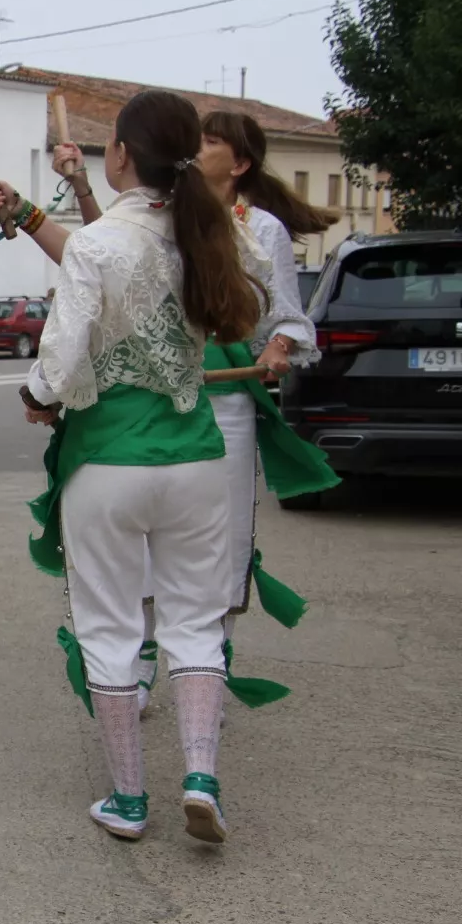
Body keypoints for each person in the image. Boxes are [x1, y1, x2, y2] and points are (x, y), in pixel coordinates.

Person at [16, 90, 262, 844]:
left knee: (112, 624)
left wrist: (36, 395)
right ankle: (199, 774)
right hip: (195, 460)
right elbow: (259, 293)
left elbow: (58, 362)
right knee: (195, 619)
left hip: (108, 460)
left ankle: (128, 798)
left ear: (119, 155)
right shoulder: (212, 232)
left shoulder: (98, 245)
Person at [52, 113, 338, 714]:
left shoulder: (256, 228)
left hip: (223, 403)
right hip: (146, 401)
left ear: (238, 164)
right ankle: (148, 672)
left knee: (216, 550)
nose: (196, 148)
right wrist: (60, 194)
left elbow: (284, 312)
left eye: (212, 142)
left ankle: (207, 674)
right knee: (146, 547)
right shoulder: (160, 215)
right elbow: (102, 255)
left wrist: (279, 349)